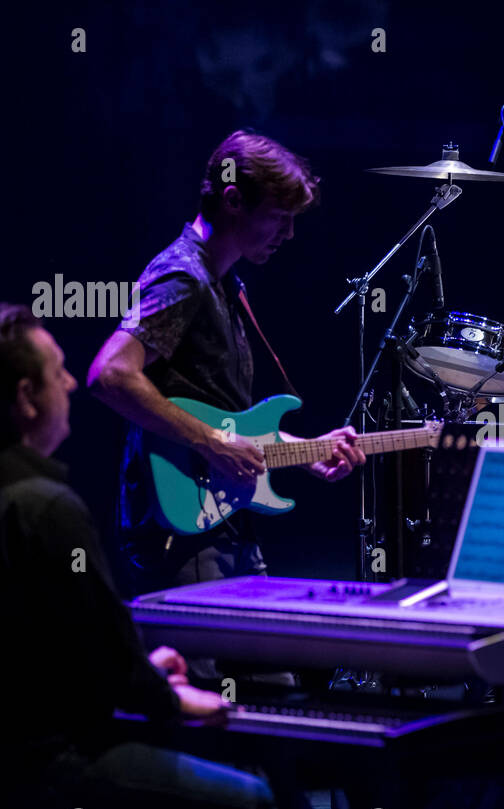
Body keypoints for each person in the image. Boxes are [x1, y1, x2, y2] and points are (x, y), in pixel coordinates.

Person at [0, 304, 282, 809]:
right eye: (59, 372)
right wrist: (168, 697)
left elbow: (22, 656)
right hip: (35, 768)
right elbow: (109, 663)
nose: (74, 382)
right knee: (256, 804)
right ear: (27, 397)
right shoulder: (45, 508)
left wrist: (140, 677)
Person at [87, 130, 366, 594]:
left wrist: (310, 451)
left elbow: (226, 419)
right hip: (185, 537)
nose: (290, 233)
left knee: (271, 667)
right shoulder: (184, 276)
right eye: (279, 217)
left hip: (224, 530)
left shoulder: (223, 281)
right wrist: (213, 442)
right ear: (233, 200)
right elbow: (110, 374)